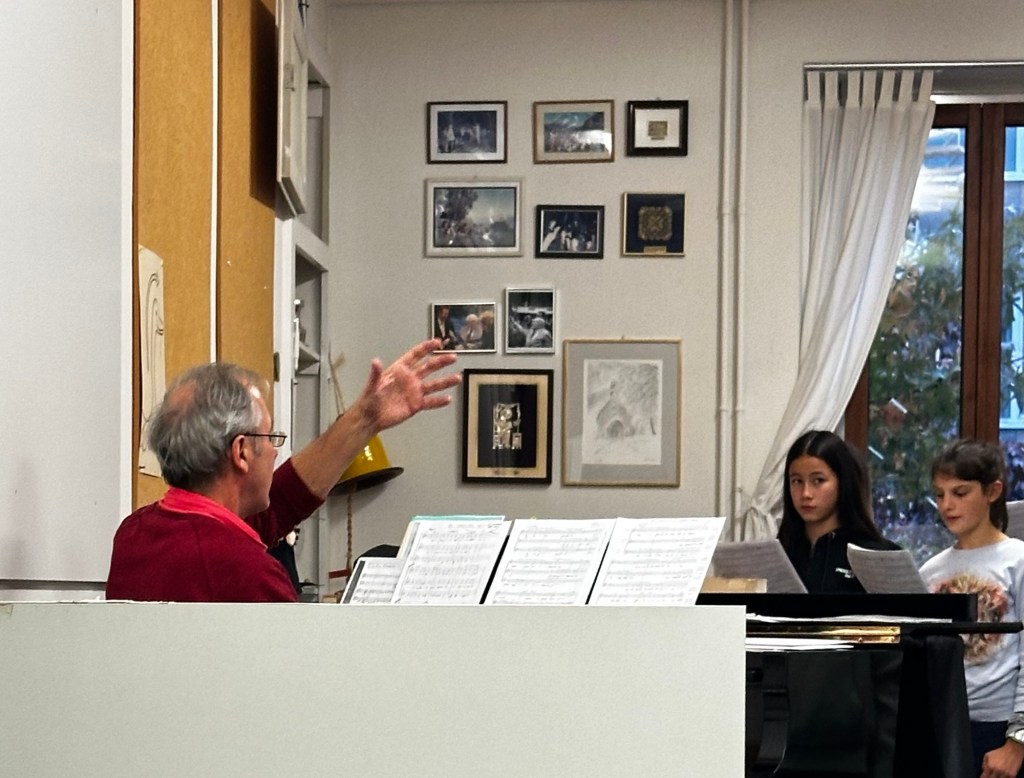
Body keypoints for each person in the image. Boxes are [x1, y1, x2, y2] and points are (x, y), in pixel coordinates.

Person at [105, 338, 460, 602]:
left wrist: (366, 418)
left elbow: (282, 502)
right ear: (241, 452)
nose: (276, 452)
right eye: (270, 436)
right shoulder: (247, 569)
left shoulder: (135, 533)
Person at [919, 438, 1024, 778]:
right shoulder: (930, 571)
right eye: (940, 495)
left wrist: (1017, 740)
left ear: (992, 491)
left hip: (999, 727)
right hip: (941, 722)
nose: (947, 505)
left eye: (960, 493)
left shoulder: (1017, 560)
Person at [777, 429, 900, 593]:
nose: (806, 493)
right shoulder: (778, 555)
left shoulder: (880, 556)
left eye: (818, 480)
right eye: (797, 481)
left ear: (843, 482)